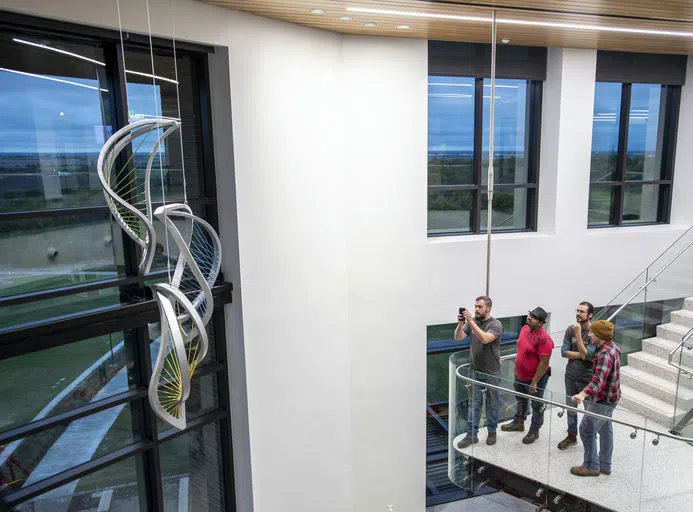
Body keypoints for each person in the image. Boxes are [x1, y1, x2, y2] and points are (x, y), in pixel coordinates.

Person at [570, 320, 621, 477]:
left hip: (603, 400)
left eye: (592, 333)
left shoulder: (605, 354)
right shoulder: (613, 347)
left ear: (600, 335)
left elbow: (599, 381)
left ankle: (591, 466)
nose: (590, 335)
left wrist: (583, 394)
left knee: (586, 429)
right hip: (612, 397)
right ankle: (605, 465)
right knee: (606, 430)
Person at [454, 296, 503, 448]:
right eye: (475, 306)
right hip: (475, 370)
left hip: (491, 371)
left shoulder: (495, 324)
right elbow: (458, 337)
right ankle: (471, 435)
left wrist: (471, 322)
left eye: (480, 307)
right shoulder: (472, 322)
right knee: (473, 404)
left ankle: (492, 432)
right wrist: (461, 323)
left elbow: (484, 339)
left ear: (489, 308)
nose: (476, 309)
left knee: (492, 403)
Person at [501, 307, 554, 445]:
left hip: (535, 379)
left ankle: (534, 431)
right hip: (520, 375)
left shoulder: (544, 340)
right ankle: (519, 422)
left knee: (536, 405)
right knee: (520, 399)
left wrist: (534, 382)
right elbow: (521, 350)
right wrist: (516, 369)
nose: (529, 317)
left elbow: (544, 363)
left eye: (534, 317)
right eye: (530, 314)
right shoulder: (524, 328)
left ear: (540, 323)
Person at [557, 302, 597, 450]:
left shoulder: (594, 332)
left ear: (590, 315)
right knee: (571, 408)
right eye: (577, 311)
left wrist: (579, 334)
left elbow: (590, 355)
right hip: (571, 376)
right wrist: (583, 354)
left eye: (582, 311)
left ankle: (590, 437)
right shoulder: (570, 330)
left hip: (588, 379)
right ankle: (571, 436)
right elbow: (563, 352)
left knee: (589, 412)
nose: (578, 314)